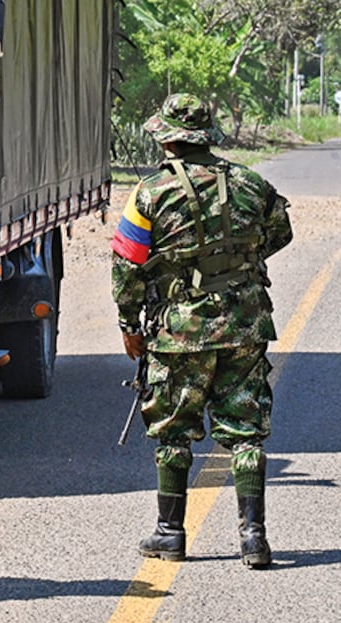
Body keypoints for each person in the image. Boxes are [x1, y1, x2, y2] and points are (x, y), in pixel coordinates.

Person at [112, 93, 293, 569]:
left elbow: (126, 265)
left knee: (173, 431)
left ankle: (170, 534)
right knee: (247, 431)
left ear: (167, 139)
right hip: (245, 324)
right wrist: (234, 266)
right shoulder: (253, 184)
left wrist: (130, 324)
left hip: (180, 332)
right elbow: (280, 232)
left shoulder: (150, 193)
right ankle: (253, 538)